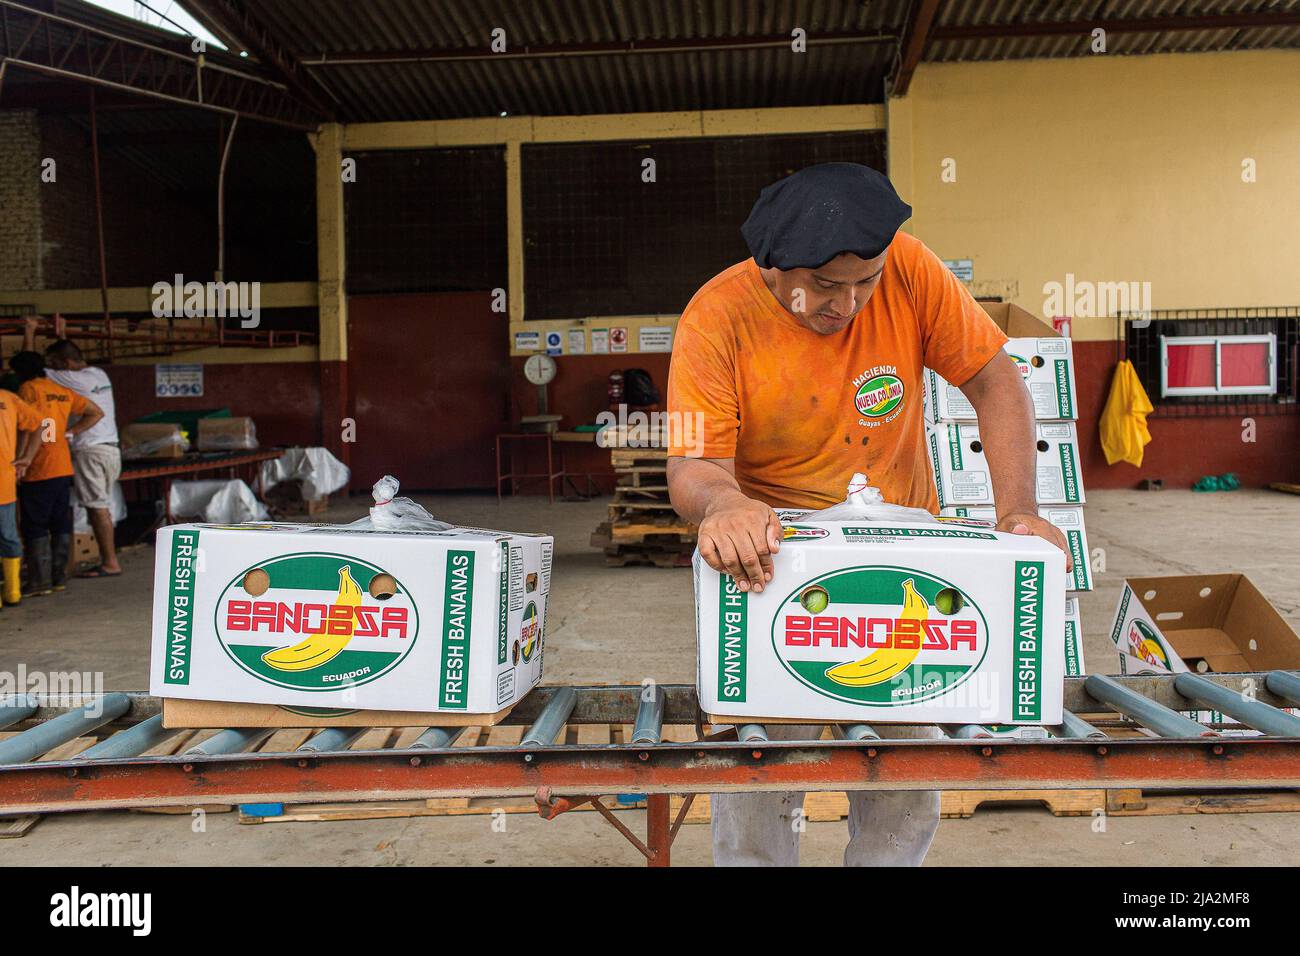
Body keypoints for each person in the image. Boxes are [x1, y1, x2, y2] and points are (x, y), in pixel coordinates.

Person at [665, 163, 1071, 867]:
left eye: (866, 281)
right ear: (774, 266)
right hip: (773, 569)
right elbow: (692, 468)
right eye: (824, 285)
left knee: (905, 776)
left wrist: (1020, 513)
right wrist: (725, 503)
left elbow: (996, 382)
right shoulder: (718, 315)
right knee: (763, 768)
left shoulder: (912, 270)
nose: (848, 303)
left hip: (902, 563)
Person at [24, 318, 123, 577]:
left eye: (54, 364)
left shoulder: (68, 380)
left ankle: (110, 562)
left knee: (96, 507)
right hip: (111, 448)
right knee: (100, 506)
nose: (51, 368)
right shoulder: (99, 374)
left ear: (65, 365)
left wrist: (30, 331)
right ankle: (107, 559)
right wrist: (61, 333)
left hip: (91, 451)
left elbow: (30, 366)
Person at [10, 351, 104, 595]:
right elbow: (96, 412)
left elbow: (30, 426)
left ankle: (39, 582)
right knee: (60, 521)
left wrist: (22, 459)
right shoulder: (60, 390)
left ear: (21, 372)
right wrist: (71, 431)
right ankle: (58, 577)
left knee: (35, 524)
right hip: (62, 465)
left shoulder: (28, 389)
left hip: (38, 465)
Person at [0, 385, 43, 609]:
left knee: (7, 536)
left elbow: (38, 424)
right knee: (7, 536)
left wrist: (26, 457)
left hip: (3, 483)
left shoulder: (9, 399)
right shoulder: (8, 399)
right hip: (4, 483)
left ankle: (12, 590)